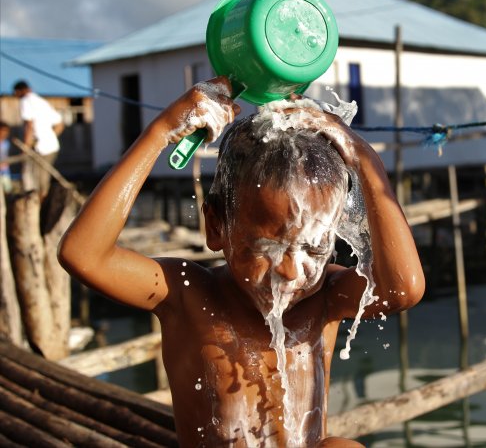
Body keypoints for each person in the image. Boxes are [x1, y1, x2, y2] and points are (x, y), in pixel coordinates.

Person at [58, 77, 425, 447]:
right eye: (266, 248)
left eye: (314, 251)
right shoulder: (187, 295)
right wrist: (161, 132)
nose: (290, 273)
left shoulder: (325, 296)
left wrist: (364, 158)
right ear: (217, 225)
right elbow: (83, 254)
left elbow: (403, 288)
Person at [12, 80, 64, 198]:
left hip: (40, 147)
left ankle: (37, 203)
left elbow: (29, 125)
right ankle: (40, 200)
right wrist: (50, 136)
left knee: (33, 177)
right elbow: (60, 124)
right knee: (43, 177)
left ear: (20, 91)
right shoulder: (41, 101)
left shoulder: (25, 101)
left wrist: (26, 146)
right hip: (51, 145)